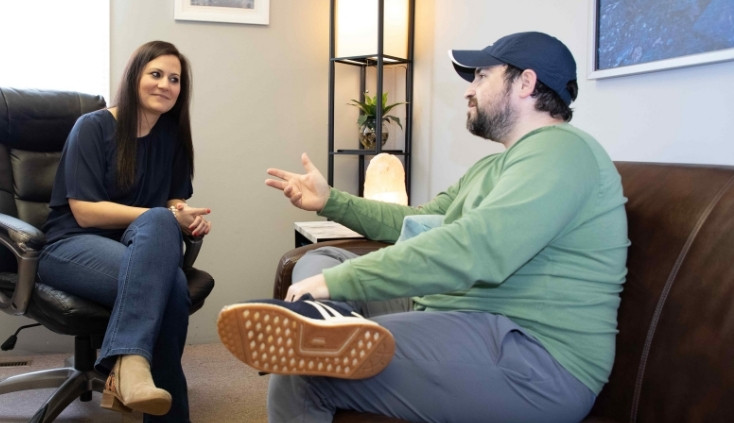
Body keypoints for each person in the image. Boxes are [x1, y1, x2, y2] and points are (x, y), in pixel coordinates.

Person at [218, 31, 629, 422]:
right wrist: (331, 202)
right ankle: (329, 325)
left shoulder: (561, 151)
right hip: (462, 314)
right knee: (323, 258)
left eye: (482, 76)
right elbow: (417, 220)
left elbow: (476, 248)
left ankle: (326, 329)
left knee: (305, 370)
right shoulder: (496, 165)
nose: (469, 89)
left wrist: (341, 282)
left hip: (534, 360)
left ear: (525, 83)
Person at [38, 40, 211, 422]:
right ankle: (138, 375)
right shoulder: (93, 126)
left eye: (175, 79)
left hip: (138, 248)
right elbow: (84, 212)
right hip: (70, 247)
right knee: (174, 286)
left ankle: (131, 366)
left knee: (164, 234)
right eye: (156, 74)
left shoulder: (172, 137)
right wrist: (163, 215)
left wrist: (183, 214)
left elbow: (171, 201)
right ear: (134, 77)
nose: (165, 84)